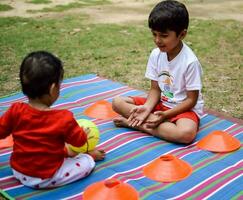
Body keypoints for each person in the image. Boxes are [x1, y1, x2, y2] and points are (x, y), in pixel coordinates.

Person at [0, 51, 105, 188]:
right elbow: (79, 142)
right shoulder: (63, 118)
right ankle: (90, 157)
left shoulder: (15, 110)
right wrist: (82, 133)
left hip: (19, 171)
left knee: (57, 148)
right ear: (53, 88)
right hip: (46, 177)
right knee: (86, 163)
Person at [112, 0, 204, 144]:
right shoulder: (156, 54)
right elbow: (155, 89)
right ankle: (150, 122)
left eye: (163, 35)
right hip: (160, 104)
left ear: (182, 34)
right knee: (117, 102)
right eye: (154, 34)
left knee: (186, 134)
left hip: (183, 110)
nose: (157, 40)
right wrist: (147, 109)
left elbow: (191, 100)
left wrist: (165, 115)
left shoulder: (190, 62)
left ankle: (138, 125)